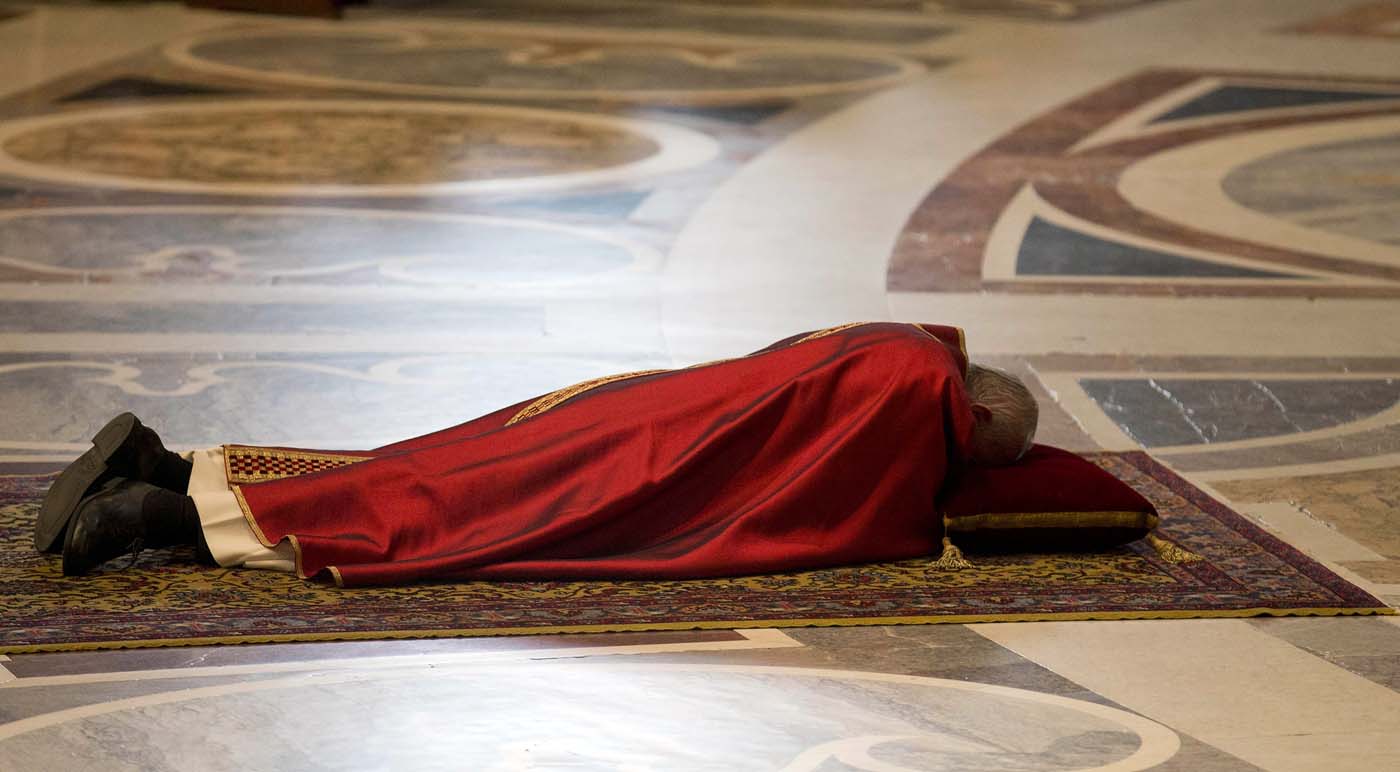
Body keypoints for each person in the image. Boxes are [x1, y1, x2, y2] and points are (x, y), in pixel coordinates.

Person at [36, 322, 1038, 585]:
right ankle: (149, 516)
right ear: (976, 424)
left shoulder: (904, 345)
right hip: (662, 466)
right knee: (455, 512)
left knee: (437, 462)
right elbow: (847, 510)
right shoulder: (918, 399)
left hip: (644, 405)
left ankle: (176, 471)